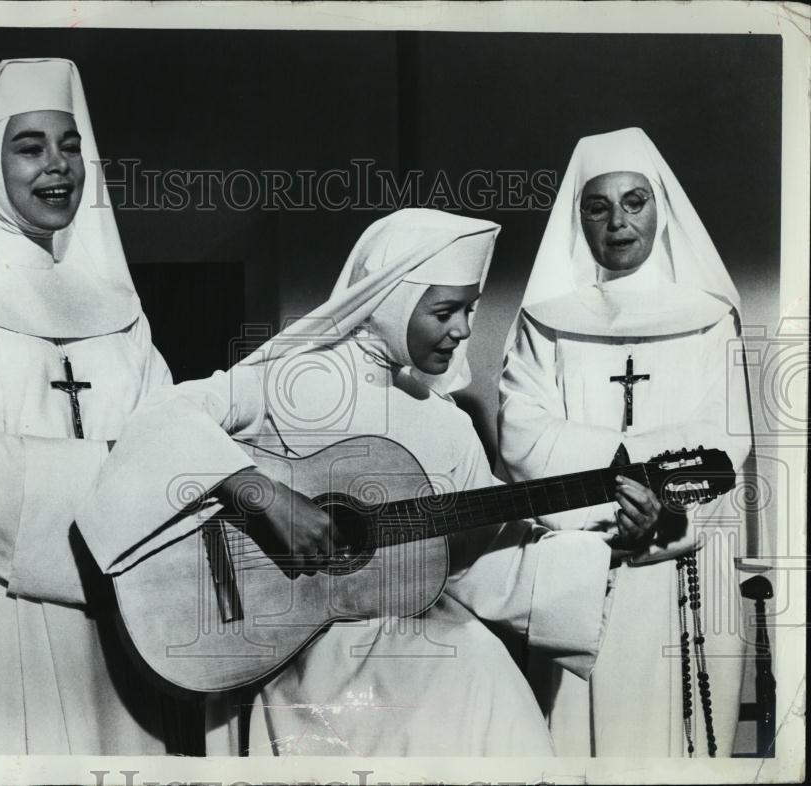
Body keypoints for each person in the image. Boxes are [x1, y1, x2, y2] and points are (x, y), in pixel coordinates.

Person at [0, 58, 329, 755]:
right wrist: (141, 482)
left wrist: (222, 477)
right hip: (1, 600)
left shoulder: (117, 310)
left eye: (70, 145)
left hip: (137, 613)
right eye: (29, 147)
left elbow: (172, 430)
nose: (58, 165)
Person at [197, 208, 628, 756]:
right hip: (294, 639)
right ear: (390, 301)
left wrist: (613, 541)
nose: (463, 329)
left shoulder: (447, 424)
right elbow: (164, 421)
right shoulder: (285, 380)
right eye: (445, 311)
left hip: (411, 634)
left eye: (470, 309)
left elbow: (480, 557)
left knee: (484, 676)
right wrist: (258, 493)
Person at [497, 128, 753, 757]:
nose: (617, 222)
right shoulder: (547, 321)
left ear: (660, 208)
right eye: (598, 207)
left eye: (634, 202)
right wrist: (624, 486)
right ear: (577, 218)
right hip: (584, 562)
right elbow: (521, 433)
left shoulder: (709, 317)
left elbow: (726, 436)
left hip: (679, 559)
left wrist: (660, 503)